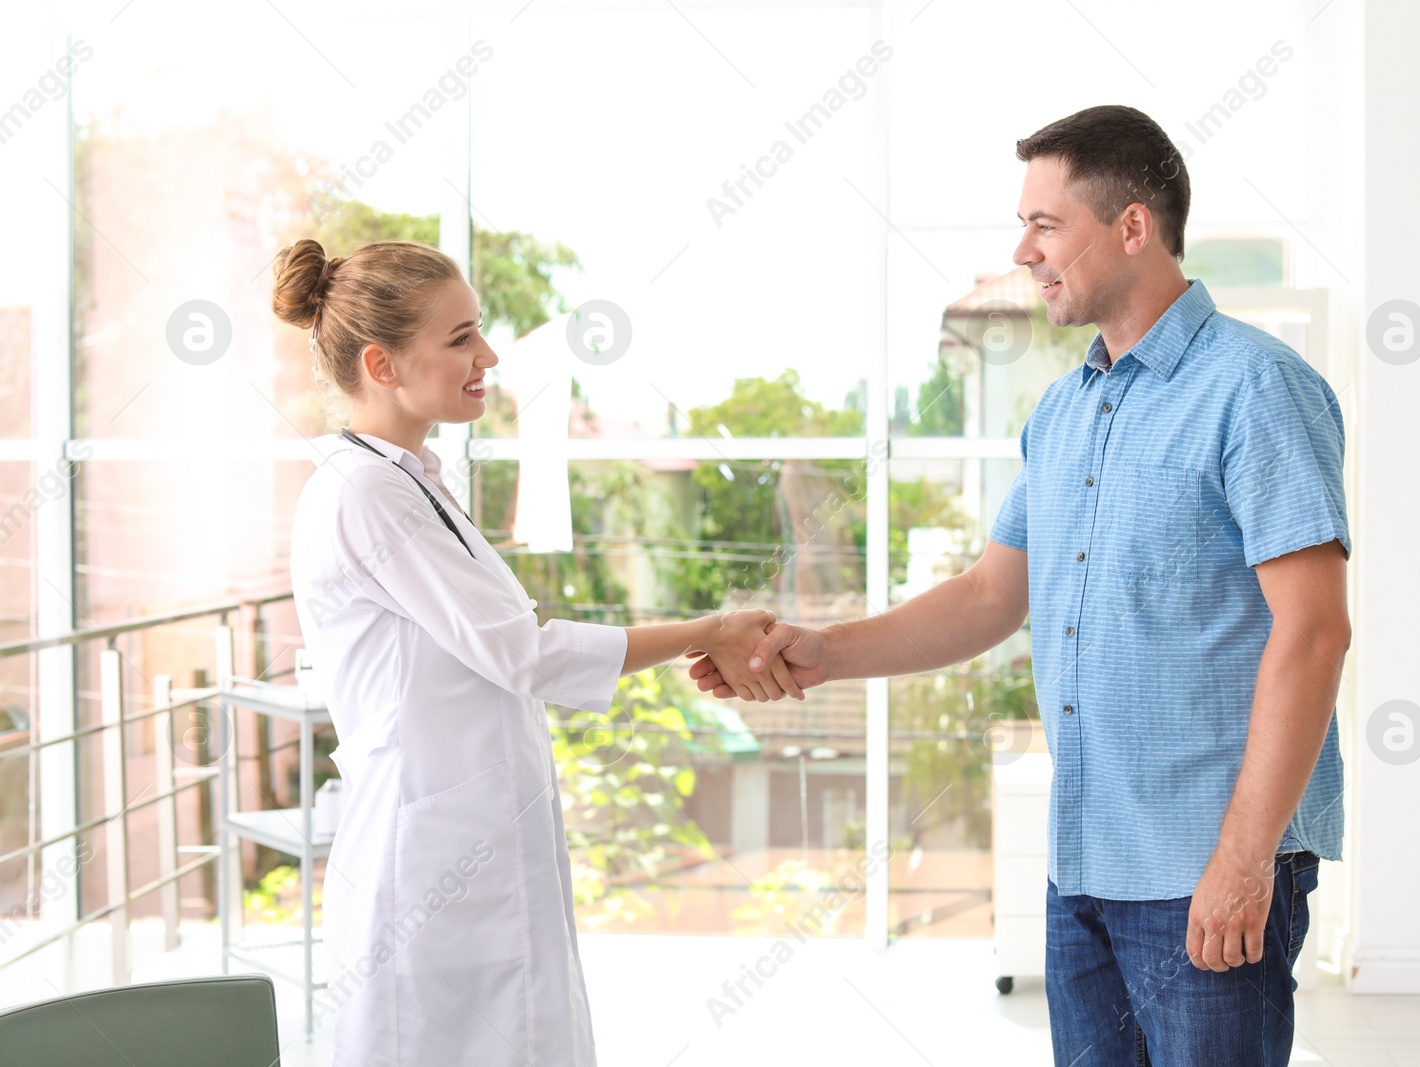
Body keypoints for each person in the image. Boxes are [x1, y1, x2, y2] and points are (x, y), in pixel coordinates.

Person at [692, 104, 1351, 1067]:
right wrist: (823, 652)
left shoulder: (1254, 388)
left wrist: (1247, 859)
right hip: (1083, 868)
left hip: (1205, 866)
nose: (1024, 248)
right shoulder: (1064, 410)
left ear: (1132, 225)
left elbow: (1316, 631)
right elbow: (988, 597)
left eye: (1046, 224)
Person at [272, 237, 801, 1067]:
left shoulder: (407, 477)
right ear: (381, 363)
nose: (487, 357)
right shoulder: (368, 493)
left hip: (468, 841)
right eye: (460, 340)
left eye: (478, 332)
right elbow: (523, 653)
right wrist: (707, 631)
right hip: (428, 867)